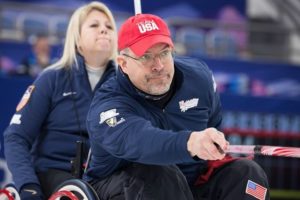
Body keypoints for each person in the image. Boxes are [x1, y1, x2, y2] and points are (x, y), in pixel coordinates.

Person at [83, 13, 270, 200]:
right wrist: (191, 142)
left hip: (189, 185)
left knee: (248, 175)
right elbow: (140, 142)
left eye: (164, 53)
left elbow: (212, 123)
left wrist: (210, 144)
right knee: (159, 173)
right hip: (122, 186)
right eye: (146, 57)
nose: (158, 65)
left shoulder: (198, 79)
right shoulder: (108, 105)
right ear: (123, 64)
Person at [4, 1, 117, 199]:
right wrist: (28, 186)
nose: (104, 31)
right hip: (52, 175)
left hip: (103, 178)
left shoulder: (122, 85)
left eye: (109, 27)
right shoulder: (52, 78)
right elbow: (15, 137)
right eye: (94, 25)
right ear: (77, 38)